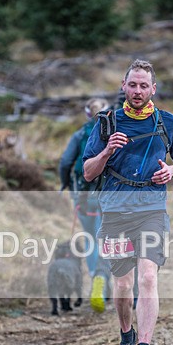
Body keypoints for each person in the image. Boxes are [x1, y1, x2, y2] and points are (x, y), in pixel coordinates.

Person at [82, 59, 173, 345]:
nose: (137, 91)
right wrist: (106, 152)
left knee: (147, 278)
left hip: (152, 211)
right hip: (115, 212)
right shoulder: (106, 123)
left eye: (144, 86)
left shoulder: (166, 122)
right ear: (123, 85)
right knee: (122, 284)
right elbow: (88, 172)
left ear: (153, 89)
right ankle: (126, 338)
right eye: (132, 85)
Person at [58, 97, 113, 313]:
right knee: (106, 238)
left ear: (87, 114)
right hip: (107, 195)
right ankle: (103, 279)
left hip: (82, 194)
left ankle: (93, 280)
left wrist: (65, 184)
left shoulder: (80, 134)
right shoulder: (113, 134)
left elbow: (64, 163)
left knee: (90, 238)